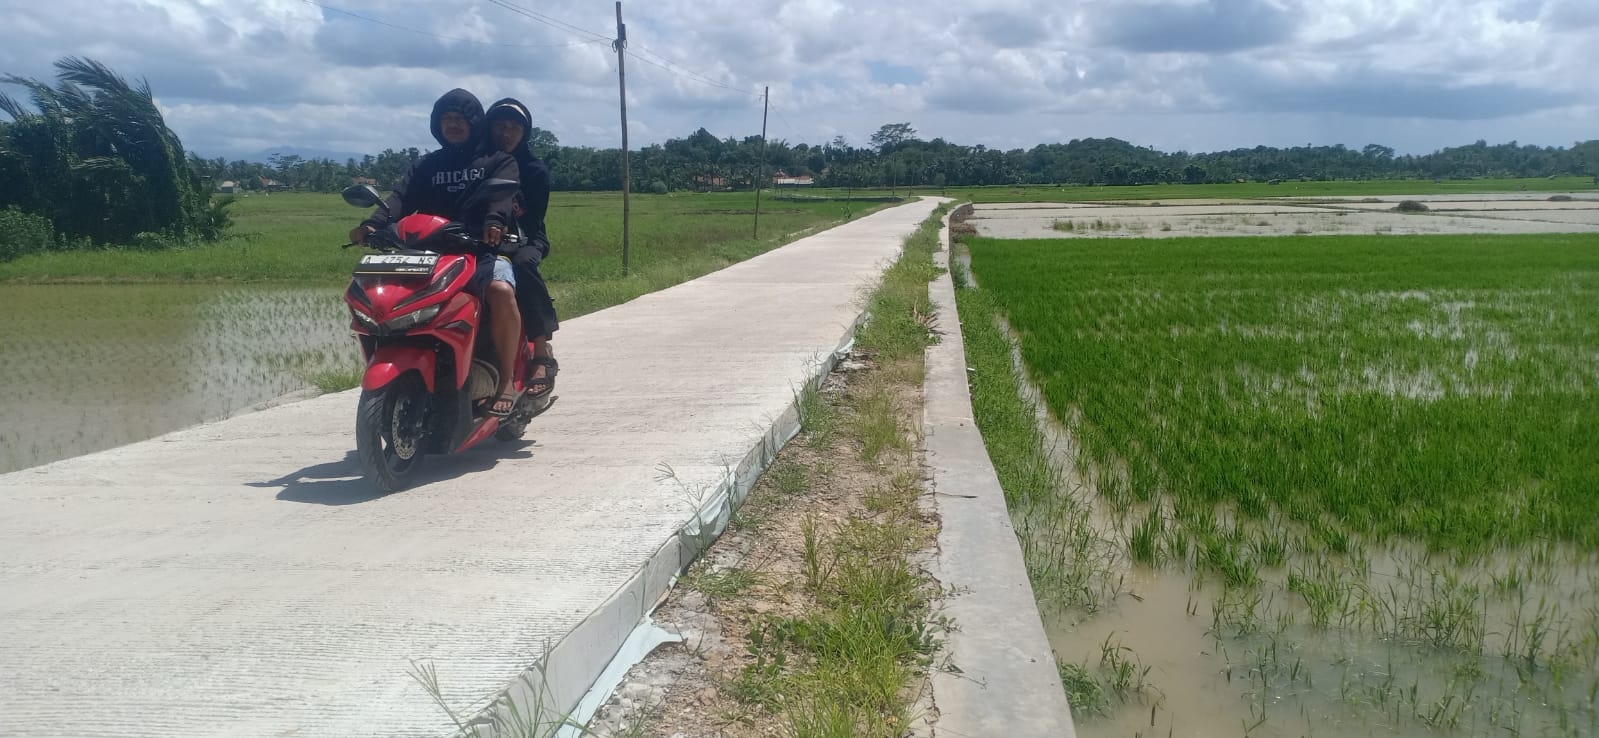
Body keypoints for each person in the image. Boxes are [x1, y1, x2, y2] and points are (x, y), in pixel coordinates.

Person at [349, 88, 525, 417]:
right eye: (446, 119)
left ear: (474, 122)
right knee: (389, 299)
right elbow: (399, 199)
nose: (453, 125)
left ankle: (507, 380)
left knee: (501, 291)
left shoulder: (498, 160)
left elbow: (502, 197)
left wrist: (494, 222)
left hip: (480, 249)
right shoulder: (427, 165)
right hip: (427, 254)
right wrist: (373, 225)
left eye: (460, 119)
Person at [484, 97, 559, 402]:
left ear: (524, 133)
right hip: (480, 237)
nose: (506, 132)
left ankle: (541, 354)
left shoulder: (534, 170)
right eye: (500, 125)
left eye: (514, 127)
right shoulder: (479, 163)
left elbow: (533, 218)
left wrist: (505, 231)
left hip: (526, 237)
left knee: (523, 267)